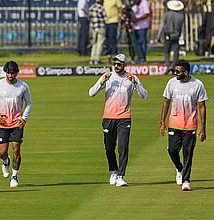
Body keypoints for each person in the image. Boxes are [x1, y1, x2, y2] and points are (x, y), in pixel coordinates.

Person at [89, 54, 148, 186]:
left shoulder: (131, 78)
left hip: (124, 118)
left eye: (119, 64)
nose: (116, 66)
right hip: (108, 117)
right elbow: (91, 93)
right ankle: (114, 170)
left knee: (123, 147)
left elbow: (145, 95)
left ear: (125, 65)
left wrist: (136, 83)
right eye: (115, 63)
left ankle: (121, 175)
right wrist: (102, 82)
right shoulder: (108, 76)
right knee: (109, 148)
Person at [159, 60, 208, 191]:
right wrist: (162, 122)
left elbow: (202, 106)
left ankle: (186, 180)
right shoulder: (171, 83)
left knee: (188, 153)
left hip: (191, 124)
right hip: (174, 123)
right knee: (172, 150)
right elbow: (166, 101)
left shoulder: (197, 85)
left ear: (186, 72)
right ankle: (179, 168)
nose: (175, 73)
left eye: (178, 71)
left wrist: (203, 128)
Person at [0, 61, 32, 188]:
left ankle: (14, 176)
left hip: (17, 123)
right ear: (5, 72)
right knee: (2, 152)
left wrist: (24, 119)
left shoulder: (23, 86)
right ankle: (5, 161)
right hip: (2, 124)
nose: (10, 75)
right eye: (8, 73)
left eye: (12, 73)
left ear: (16, 73)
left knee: (16, 150)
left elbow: (29, 103)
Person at [157, 0, 185, 74]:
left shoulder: (167, 14)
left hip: (168, 35)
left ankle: (168, 65)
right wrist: (183, 38)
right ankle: (173, 66)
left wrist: (158, 36)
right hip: (177, 36)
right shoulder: (181, 16)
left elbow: (162, 25)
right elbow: (183, 29)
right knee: (176, 52)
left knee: (166, 51)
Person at [89, 0, 107, 65]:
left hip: (94, 28)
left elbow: (89, 18)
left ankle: (92, 59)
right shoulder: (101, 8)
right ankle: (97, 59)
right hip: (101, 27)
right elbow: (105, 19)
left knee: (94, 44)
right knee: (100, 44)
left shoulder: (91, 7)